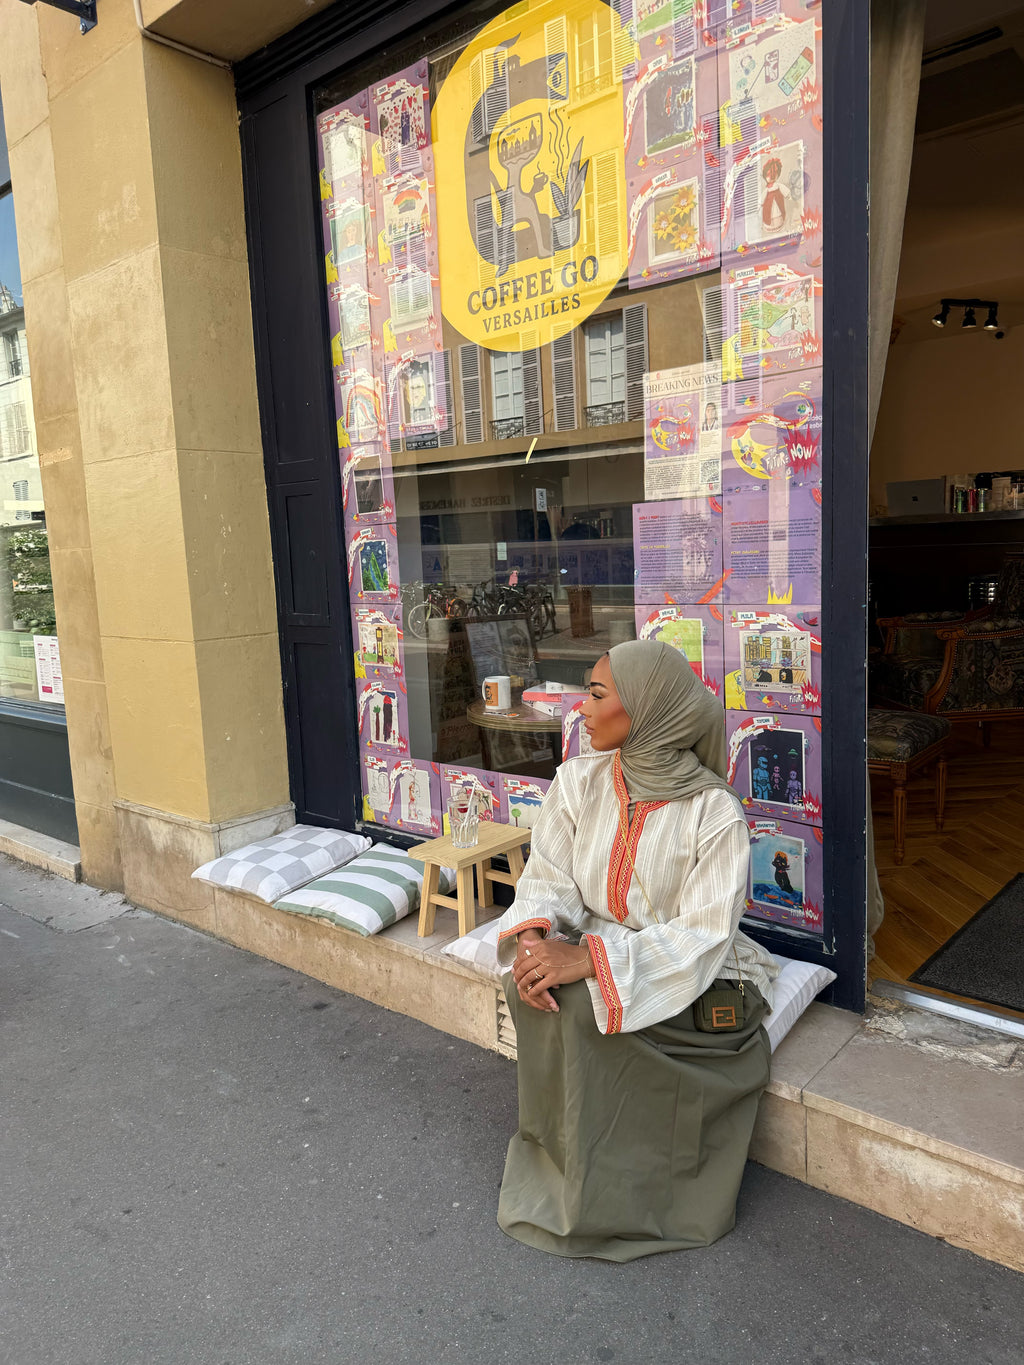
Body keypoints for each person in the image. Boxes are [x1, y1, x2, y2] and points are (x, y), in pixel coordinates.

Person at [494, 640, 778, 1261]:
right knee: (533, 983)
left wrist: (590, 962)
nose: (581, 709)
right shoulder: (578, 780)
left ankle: (634, 1193)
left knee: (579, 1004)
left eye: (596, 695)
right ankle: (565, 1166)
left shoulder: (714, 813)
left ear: (649, 710)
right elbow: (548, 873)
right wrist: (538, 939)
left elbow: (704, 935)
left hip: (690, 970)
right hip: (606, 943)